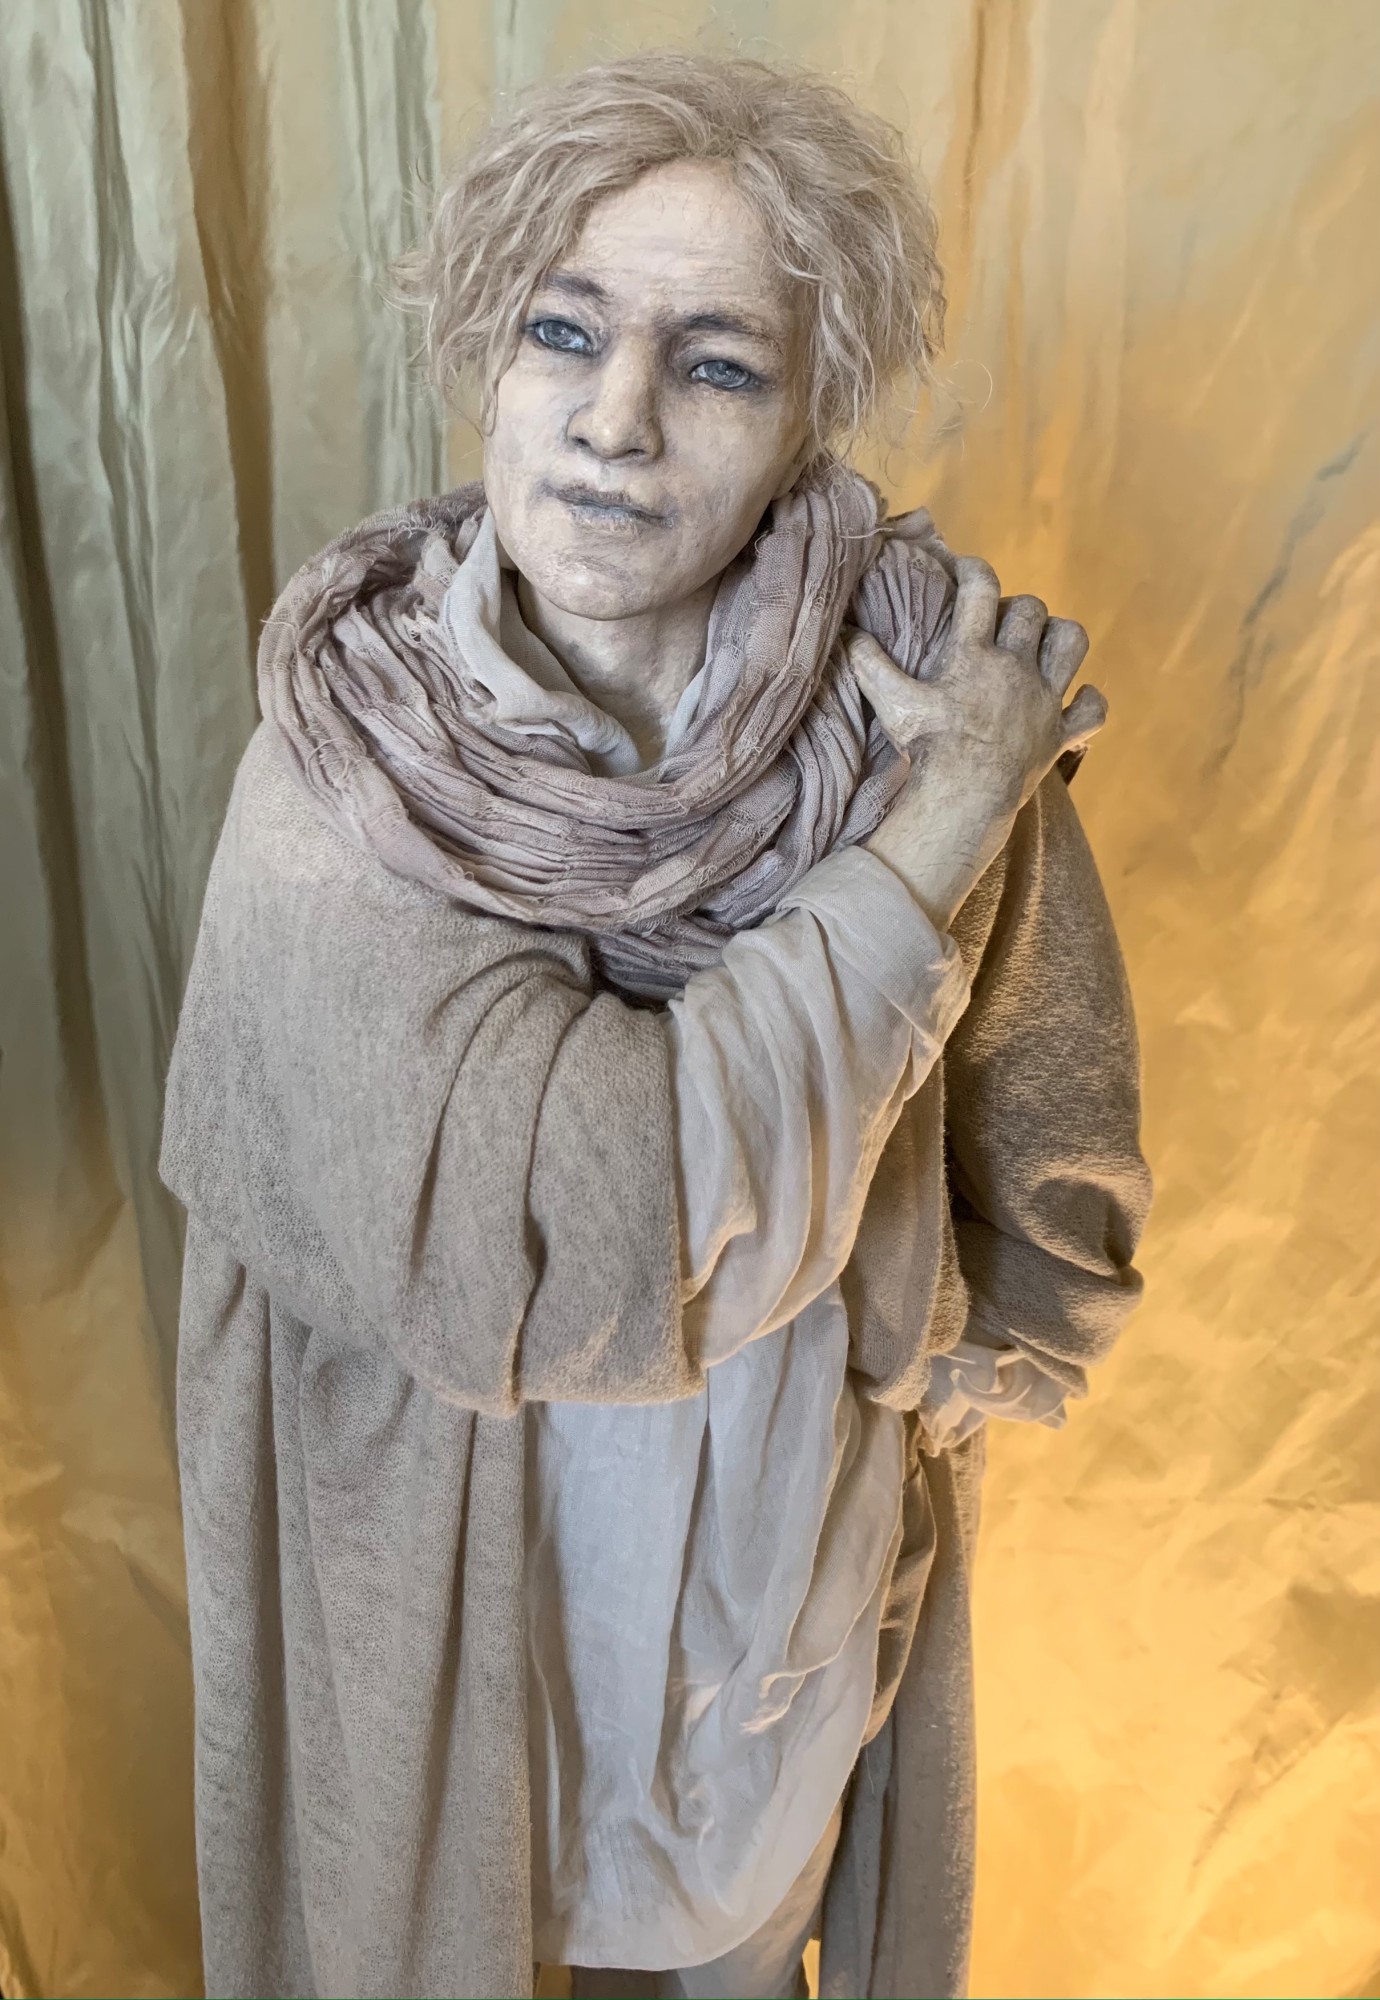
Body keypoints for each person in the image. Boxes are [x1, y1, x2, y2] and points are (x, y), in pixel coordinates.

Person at [160, 51, 1151, 2000]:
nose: (616, 421)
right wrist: (946, 819)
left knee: (748, 1936)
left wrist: (950, 1357)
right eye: (565, 330)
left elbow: (1057, 1122)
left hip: (780, 1607)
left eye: (716, 363)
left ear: (805, 415)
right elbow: (616, 1212)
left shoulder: (919, 694)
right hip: (462, 1632)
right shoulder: (348, 769)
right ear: (486, 351)